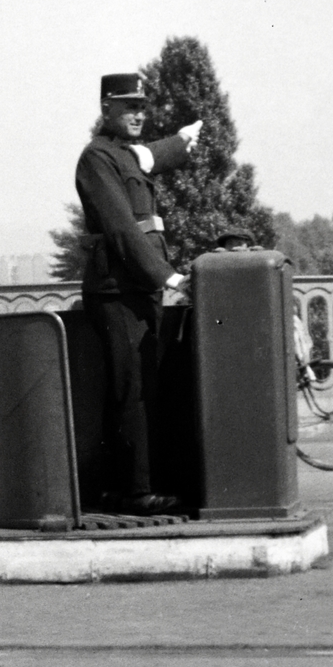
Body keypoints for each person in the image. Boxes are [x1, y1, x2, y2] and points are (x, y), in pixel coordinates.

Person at [75, 71, 202, 512]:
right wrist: (169, 278)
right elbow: (123, 230)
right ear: (106, 109)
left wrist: (184, 140)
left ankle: (131, 483)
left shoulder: (127, 155)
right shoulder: (96, 159)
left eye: (142, 107)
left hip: (138, 290)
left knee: (144, 385)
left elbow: (155, 156)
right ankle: (135, 492)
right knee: (133, 390)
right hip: (118, 291)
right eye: (128, 106)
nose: (137, 114)